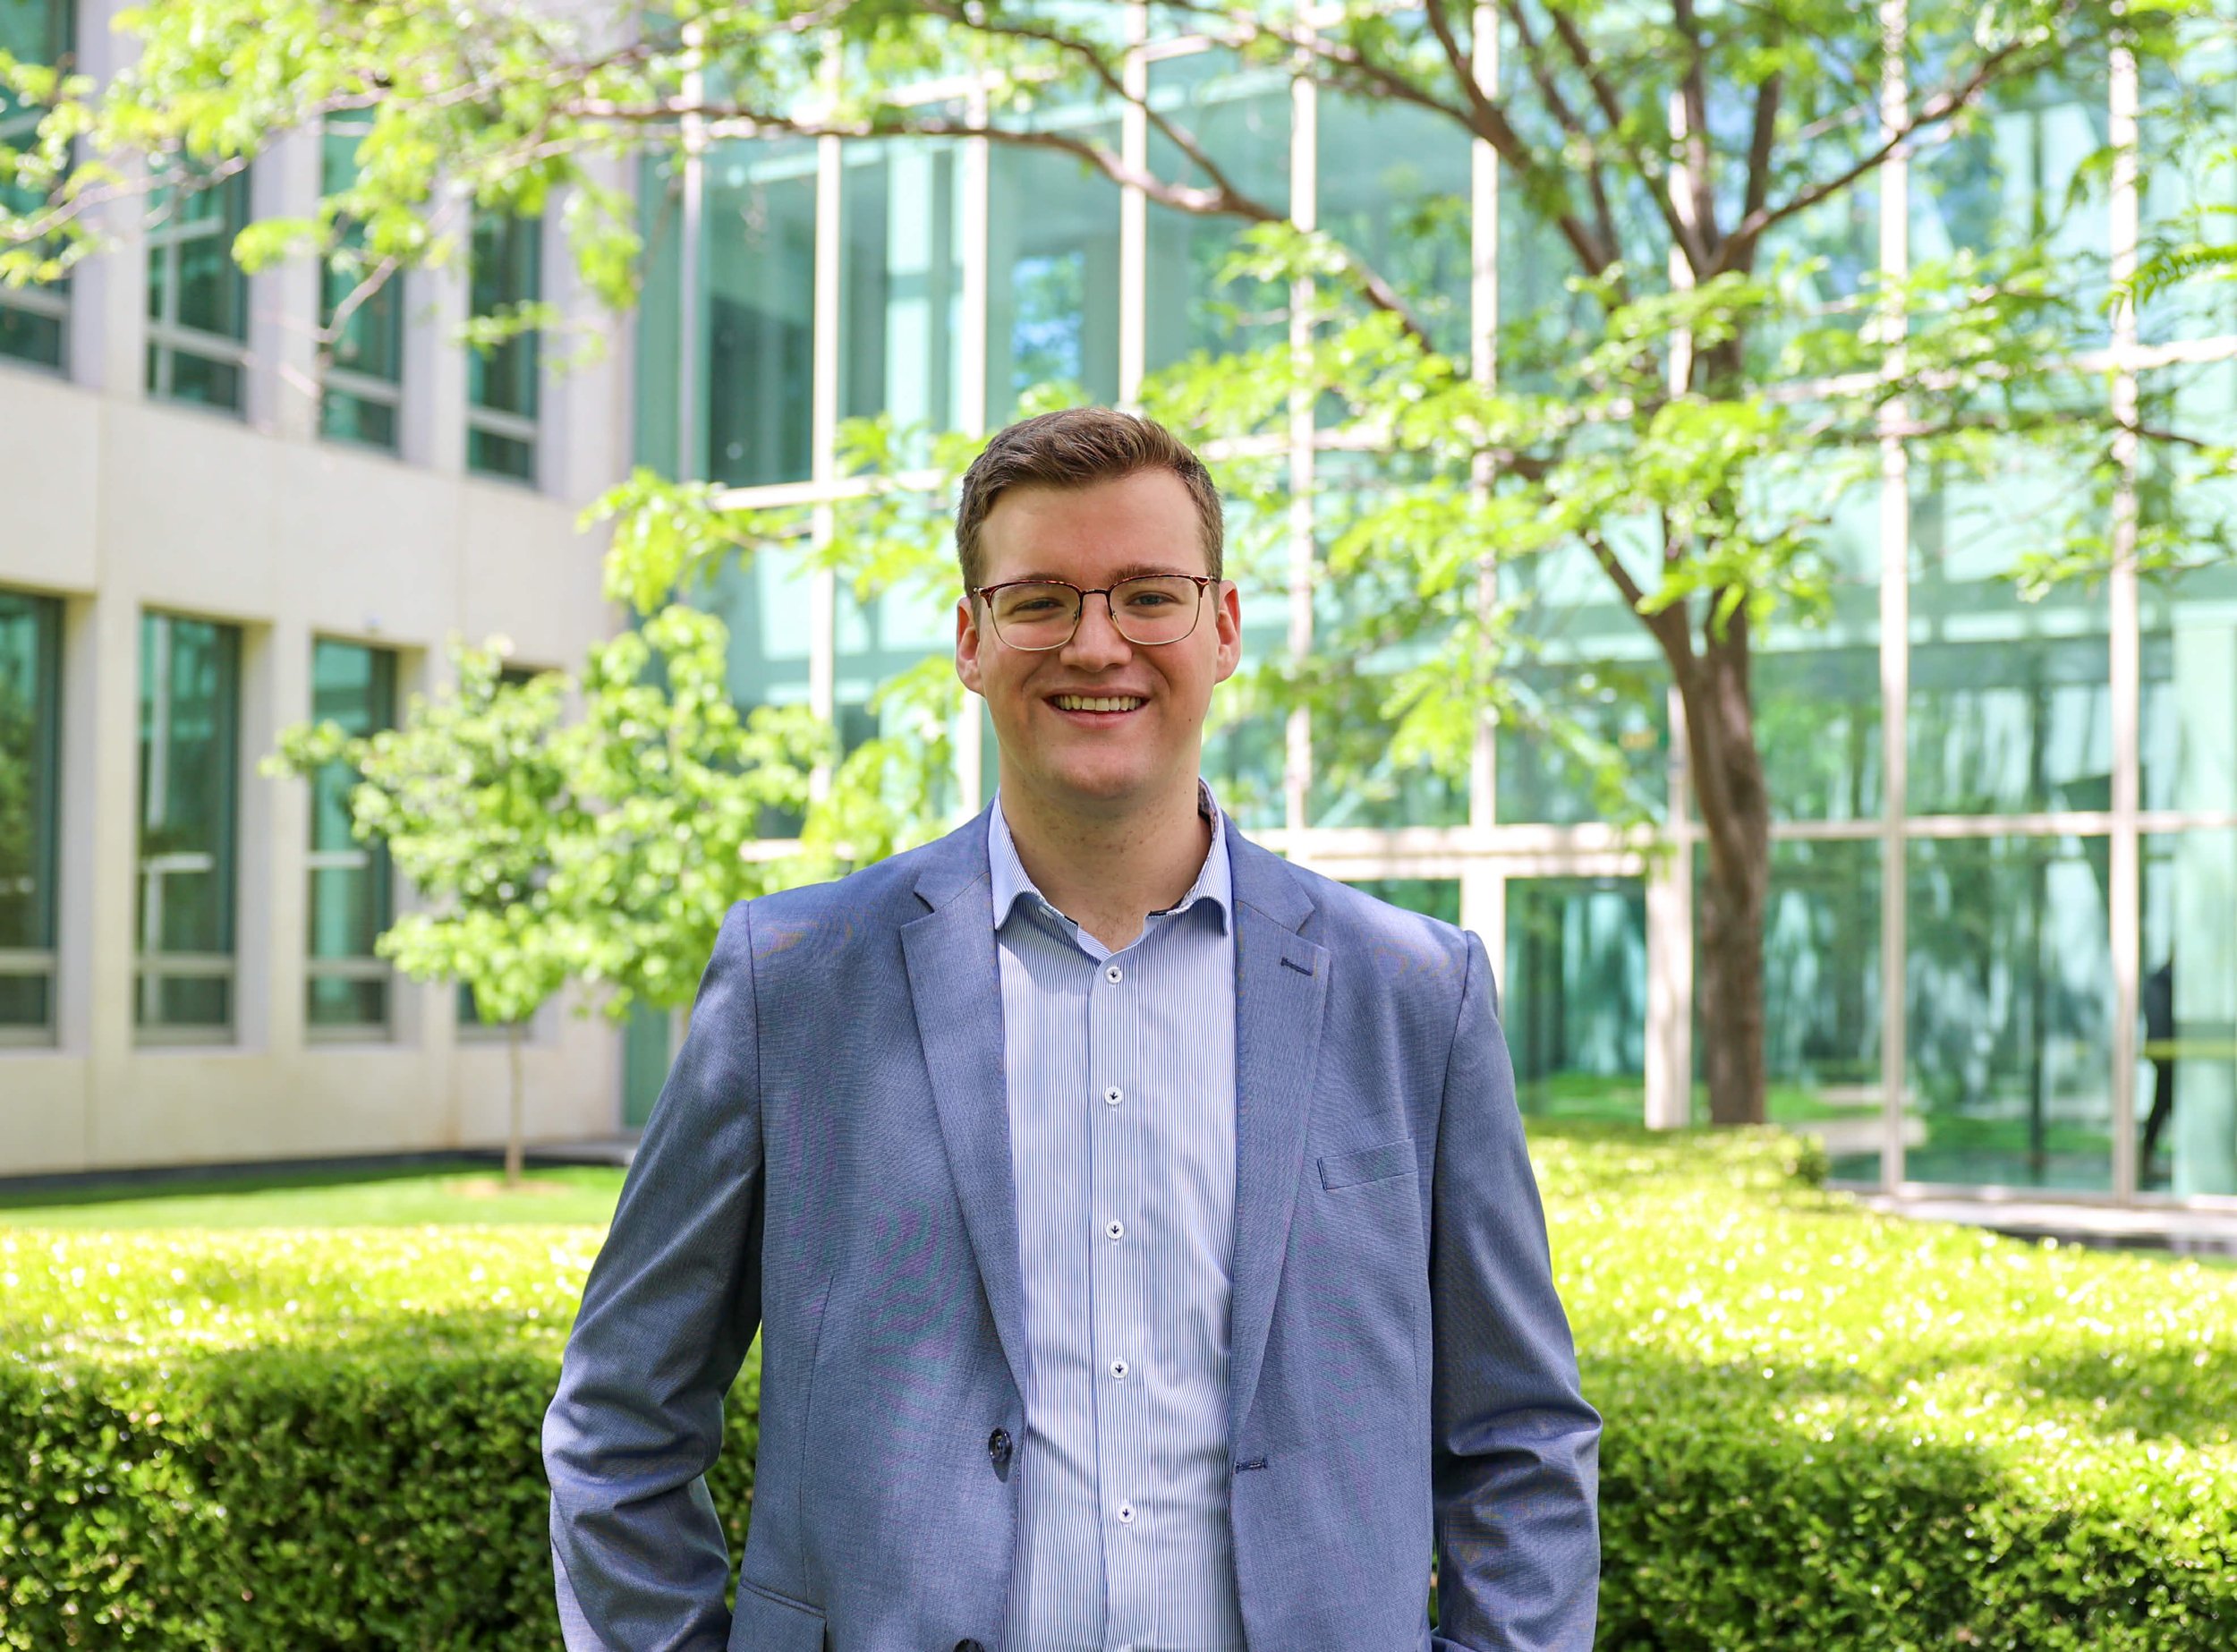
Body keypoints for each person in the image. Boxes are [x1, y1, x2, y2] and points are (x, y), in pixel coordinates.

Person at [542, 407, 1601, 1650]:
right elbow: (620, 1421)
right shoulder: (796, 984)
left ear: (1223, 629)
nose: (1097, 644)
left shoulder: (1416, 993)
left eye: (1149, 595)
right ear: (970, 640)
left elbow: (1519, 1438)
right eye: (1040, 600)